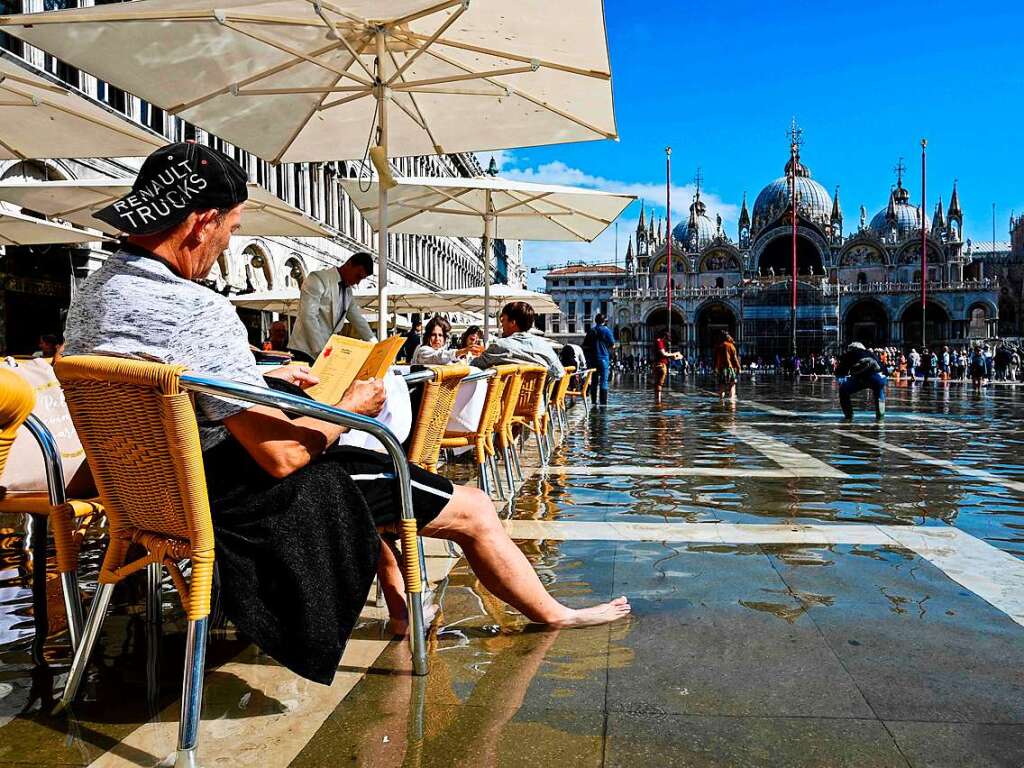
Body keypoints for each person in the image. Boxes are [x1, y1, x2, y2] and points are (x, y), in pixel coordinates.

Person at [62, 143, 629, 686]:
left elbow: (161, 378)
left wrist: (259, 379)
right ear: (201, 222)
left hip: (146, 490)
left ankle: (404, 602)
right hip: (235, 501)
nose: (227, 248)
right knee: (467, 505)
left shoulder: (94, 292)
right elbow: (282, 457)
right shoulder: (197, 308)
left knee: (362, 473)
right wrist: (348, 408)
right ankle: (554, 613)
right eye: (232, 230)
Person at [288, 251, 376, 363]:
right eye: (358, 276)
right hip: (304, 350)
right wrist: (322, 351)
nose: (357, 282)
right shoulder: (317, 278)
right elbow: (308, 317)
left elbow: (358, 320)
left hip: (325, 352)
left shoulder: (348, 292)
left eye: (361, 279)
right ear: (349, 264)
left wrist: (375, 346)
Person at [471, 301, 564, 383]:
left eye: (502, 319)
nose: (501, 324)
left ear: (513, 323)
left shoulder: (499, 345)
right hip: (538, 402)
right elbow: (559, 373)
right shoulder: (544, 346)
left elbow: (473, 367)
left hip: (502, 402)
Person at [835, 341, 887, 420]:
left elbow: (839, 371)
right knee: (879, 391)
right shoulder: (871, 353)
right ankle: (881, 416)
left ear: (852, 349)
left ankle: (849, 416)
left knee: (843, 390)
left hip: (863, 377)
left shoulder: (851, 353)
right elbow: (885, 370)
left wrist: (842, 379)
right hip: (880, 378)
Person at [411, 315, 483, 365]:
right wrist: (463, 351)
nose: (437, 339)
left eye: (440, 335)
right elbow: (438, 357)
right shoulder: (423, 350)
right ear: (428, 336)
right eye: (433, 335)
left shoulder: (439, 350)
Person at [581, 313, 615, 406]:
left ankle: (593, 402)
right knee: (604, 380)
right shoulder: (606, 330)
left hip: (593, 359)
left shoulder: (591, 331)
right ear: (604, 321)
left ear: (595, 321)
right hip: (603, 358)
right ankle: (603, 403)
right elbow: (612, 344)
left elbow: (585, 345)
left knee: (594, 381)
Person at [652, 329, 680, 404]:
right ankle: (658, 401)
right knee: (659, 383)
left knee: (657, 383)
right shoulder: (659, 342)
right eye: (668, 340)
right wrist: (673, 355)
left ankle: (657, 400)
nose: (668, 342)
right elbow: (663, 354)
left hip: (659, 364)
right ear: (664, 337)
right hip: (660, 365)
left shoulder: (660, 342)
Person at [713, 331, 740, 402]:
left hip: (721, 369)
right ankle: (732, 402)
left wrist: (715, 369)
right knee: (732, 385)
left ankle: (721, 401)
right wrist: (738, 368)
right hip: (730, 368)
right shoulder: (731, 346)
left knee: (721, 386)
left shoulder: (719, 346)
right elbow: (735, 359)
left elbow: (716, 359)